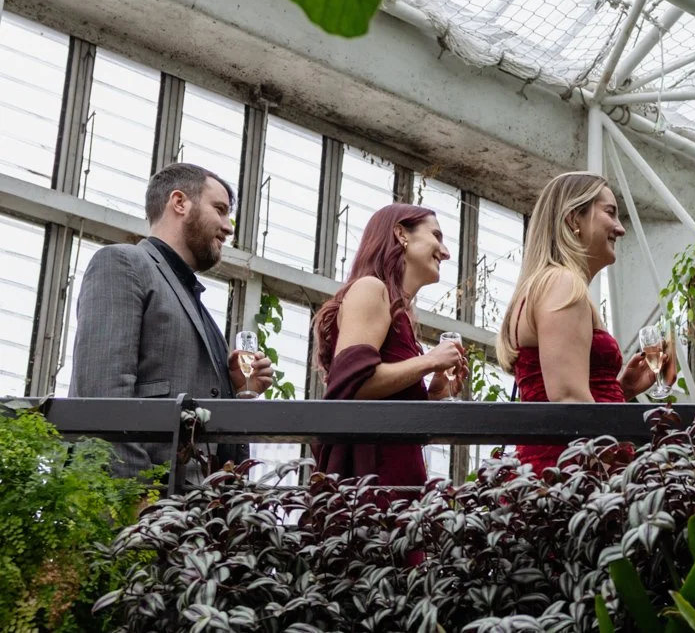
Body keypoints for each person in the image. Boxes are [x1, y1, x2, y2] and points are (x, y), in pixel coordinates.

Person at [72, 163, 274, 479]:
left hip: (199, 503)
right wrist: (138, 494)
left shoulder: (193, 301)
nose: (228, 227)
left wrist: (232, 388)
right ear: (179, 202)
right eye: (220, 210)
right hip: (147, 498)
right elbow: (101, 393)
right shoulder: (124, 263)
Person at [495, 172, 676, 473]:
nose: (620, 228)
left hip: (562, 466)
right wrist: (610, 478)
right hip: (573, 474)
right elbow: (569, 400)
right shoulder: (563, 283)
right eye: (610, 213)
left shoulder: (549, 285)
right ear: (572, 219)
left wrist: (621, 390)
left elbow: (565, 393)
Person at [311, 204, 468, 488]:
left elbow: (387, 407)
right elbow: (353, 384)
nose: (445, 252)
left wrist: (432, 396)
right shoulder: (371, 288)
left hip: (397, 480)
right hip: (374, 485)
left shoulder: (401, 315)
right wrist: (430, 361)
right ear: (401, 234)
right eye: (436, 236)